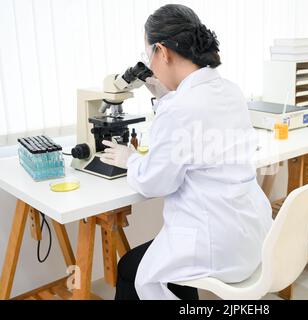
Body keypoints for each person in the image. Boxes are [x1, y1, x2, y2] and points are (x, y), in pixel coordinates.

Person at [100, 4, 272, 300]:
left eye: (148, 56)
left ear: (163, 52)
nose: (149, 66)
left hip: (214, 243)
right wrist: (166, 97)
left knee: (129, 269)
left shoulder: (181, 108)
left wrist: (131, 160)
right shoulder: (229, 90)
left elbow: (156, 182)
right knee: (158, 264)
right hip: (252, 234)